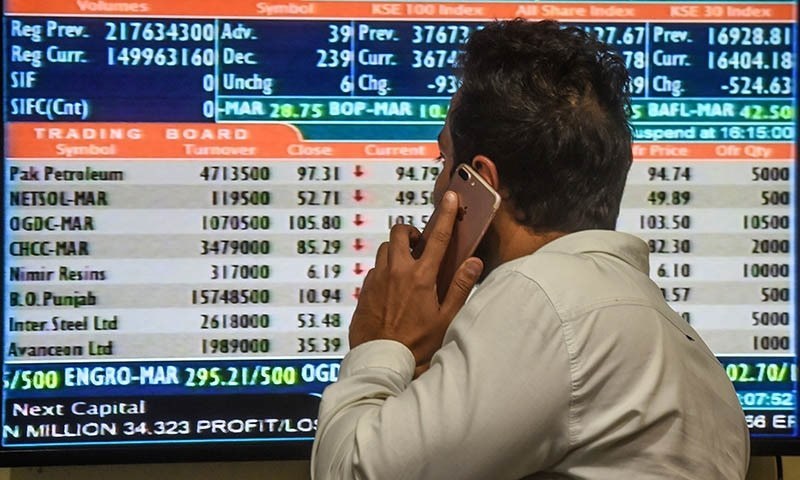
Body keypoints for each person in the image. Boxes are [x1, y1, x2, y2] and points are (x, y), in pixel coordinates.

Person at [311, 19, 749, 479]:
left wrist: (384, 343)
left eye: (444, 163)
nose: (438, 187)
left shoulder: (542, 296)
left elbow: (354, 473)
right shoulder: (692, 355)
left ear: (481, 181)